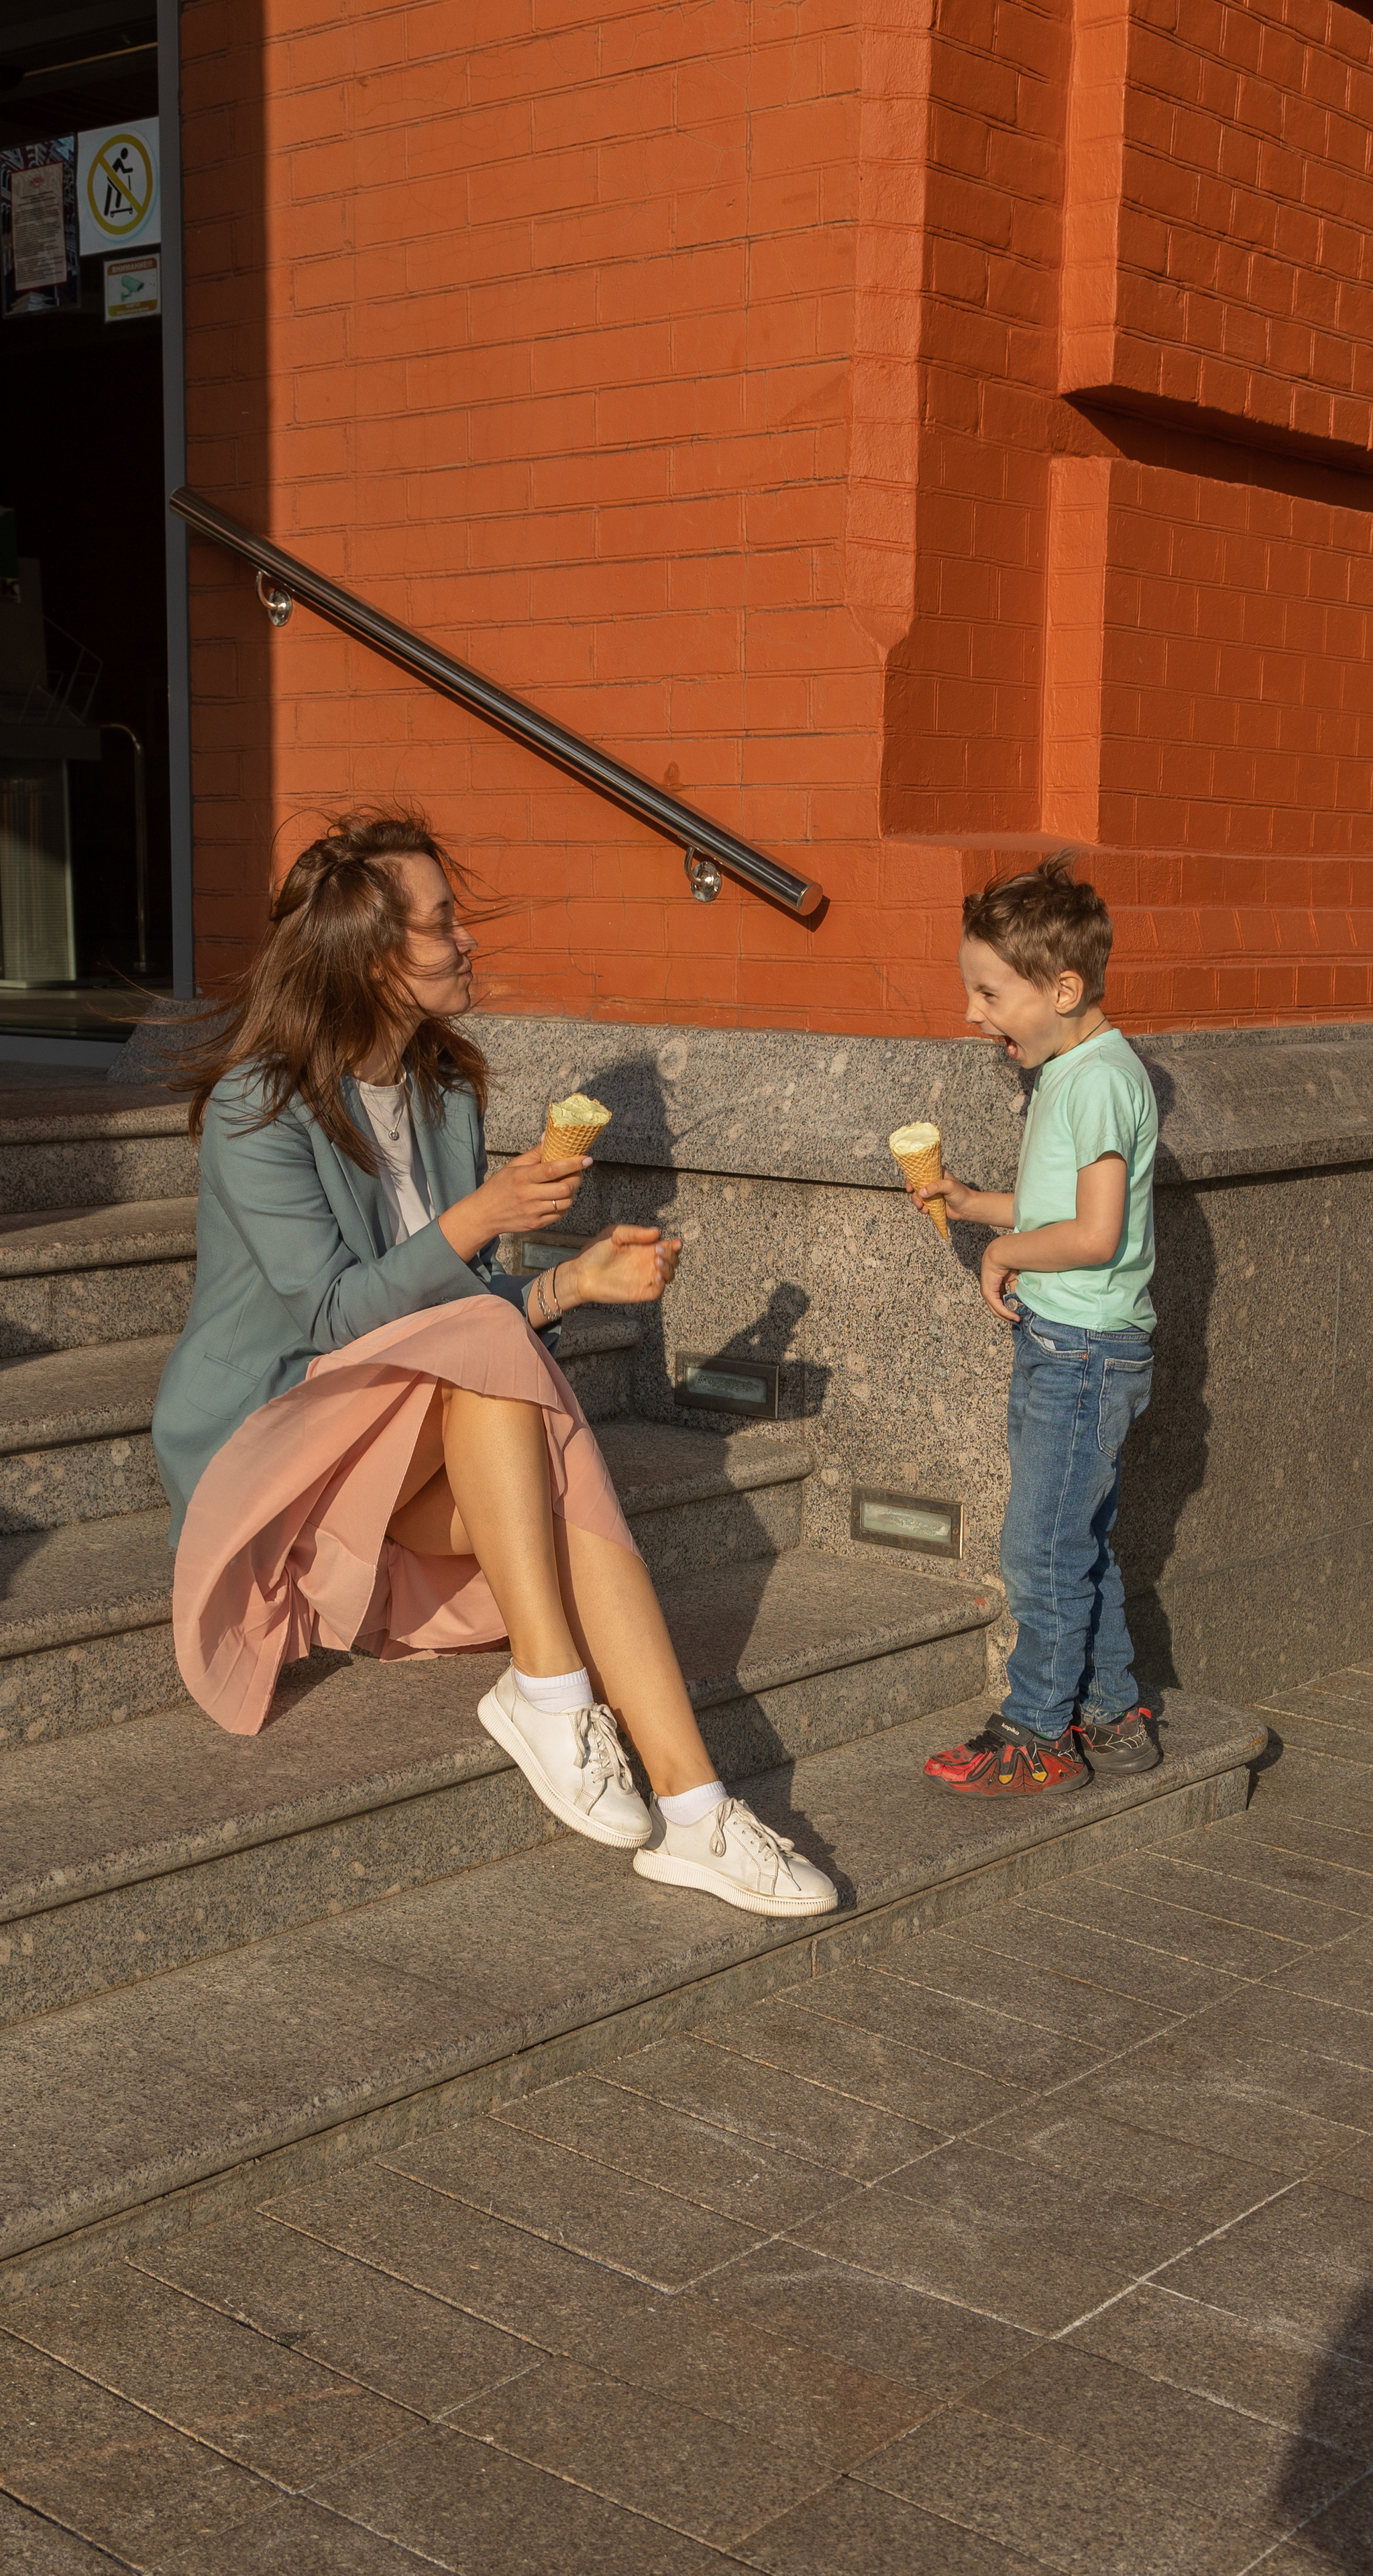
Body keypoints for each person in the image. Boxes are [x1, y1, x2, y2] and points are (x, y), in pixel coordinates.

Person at [151, 809, 835, 1918]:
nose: (466, 939)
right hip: (277, 1456)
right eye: (439, 924)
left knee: (539, 1434)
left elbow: (460, 1314)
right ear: (370, 958)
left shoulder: (444, 1091)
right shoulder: (258, 1108)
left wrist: (569, 1287)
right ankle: (558, 1698)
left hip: (408, 1452)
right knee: (506, 1376)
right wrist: (480, 1218)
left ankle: (696, 1808)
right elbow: (332, 1316)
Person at [908, 857, 1162, 1798]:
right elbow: (1064, 1204)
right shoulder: (1077, 1069)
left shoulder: (1094, 1083)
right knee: (1073, 1538)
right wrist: (975, 1205)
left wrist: (1004, 1254)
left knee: (1041, 1549)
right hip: (1076, 1344)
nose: (973, 1013)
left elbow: (1094, 1235)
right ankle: (1112, 1711)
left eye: (989, 993)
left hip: (1081, 1352)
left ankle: (1039, 1732)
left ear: (1062, 989)